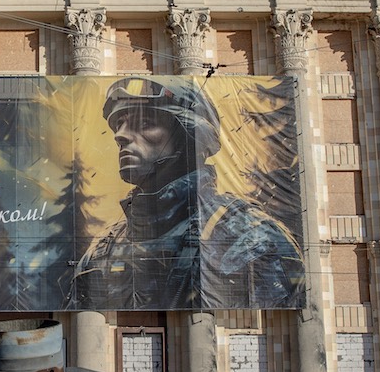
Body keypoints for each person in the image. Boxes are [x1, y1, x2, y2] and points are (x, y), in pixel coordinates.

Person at [72, 77, 305, 310]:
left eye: (144, 123)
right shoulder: (104, 248)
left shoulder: (250, 238)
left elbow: (276, 325)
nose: (119, 136)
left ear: (188, 135)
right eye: (119, 124)